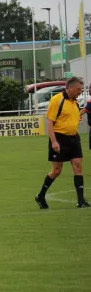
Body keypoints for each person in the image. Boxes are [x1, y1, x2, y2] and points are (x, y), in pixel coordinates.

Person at [36, 77, 90, 209]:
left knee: (78, 166)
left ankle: (80, 201)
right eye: (78, 89)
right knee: (56, 170)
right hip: (59, 139)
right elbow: (49, 122)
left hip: (73, 139)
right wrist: (54, 141)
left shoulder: (75, 102)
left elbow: (75, 117)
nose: (80, 92)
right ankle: (41, 196)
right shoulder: (57, 100)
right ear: (70, 88)